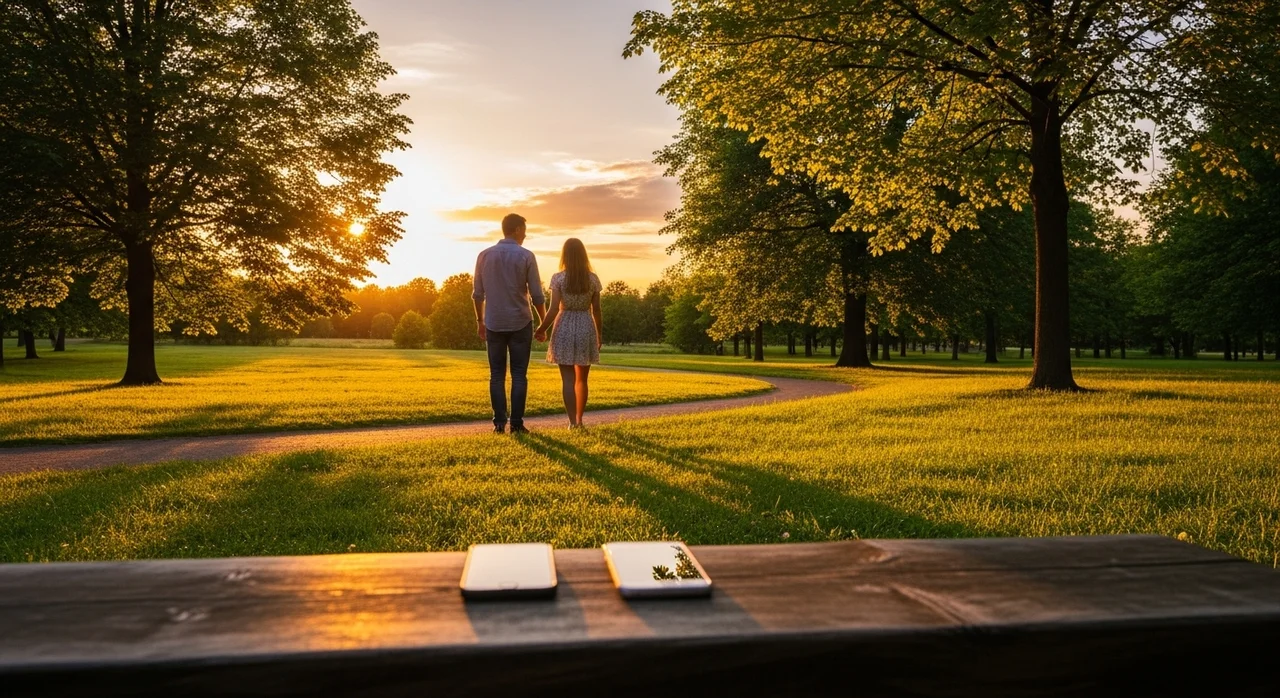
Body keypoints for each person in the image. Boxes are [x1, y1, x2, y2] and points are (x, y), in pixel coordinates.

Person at [472, 213, 546, 434]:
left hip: (493, 321)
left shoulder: (484, 256)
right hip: (520, 322)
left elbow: (477, 294)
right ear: (517, 230)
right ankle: (516, 423)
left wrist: (480, 321)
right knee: (519, 374)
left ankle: (499, 424)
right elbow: (537, 295)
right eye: (524, 230)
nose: (525, 235)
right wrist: (543, 323)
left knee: (496, 375)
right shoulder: (526, 256)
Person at [535, 238, 602, 429]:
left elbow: (553, 309)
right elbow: (597, 310)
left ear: (565, 255)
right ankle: (580, 420)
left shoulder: (558, 278)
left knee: (567, 379)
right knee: (582, 379)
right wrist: (599, 335)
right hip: (585, 325)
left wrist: (541, 329)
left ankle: (572, 422)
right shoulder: (593, 279)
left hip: (564, 325)